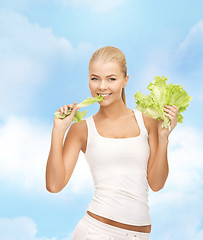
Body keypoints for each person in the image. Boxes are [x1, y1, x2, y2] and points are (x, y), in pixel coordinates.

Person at [46, 46, 179, 240]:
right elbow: (54, 185)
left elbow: (156, 183)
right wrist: (58, 131)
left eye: (111, 79)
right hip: (96, 231)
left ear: (125, 79)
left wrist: (164, 138)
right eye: (95, 78)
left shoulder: (148, 123)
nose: (102, 87)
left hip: (139, 234)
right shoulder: (81, 129)